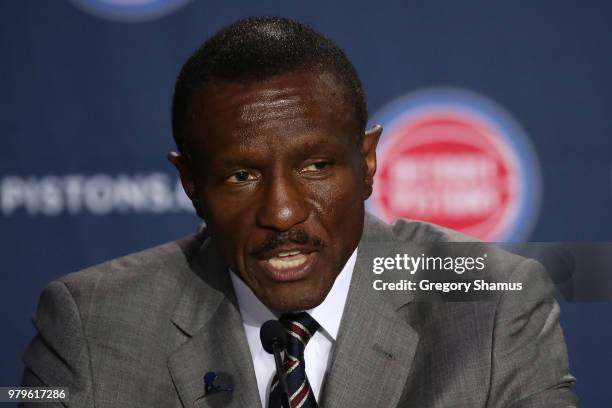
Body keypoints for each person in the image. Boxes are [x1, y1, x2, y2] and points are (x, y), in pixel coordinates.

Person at [22, 17, 576, 407]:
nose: (283, 213)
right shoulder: (91, 325)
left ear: (366, 162)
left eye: (315, 167)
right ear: (190, 182)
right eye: (242, 176)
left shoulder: (494, 305)